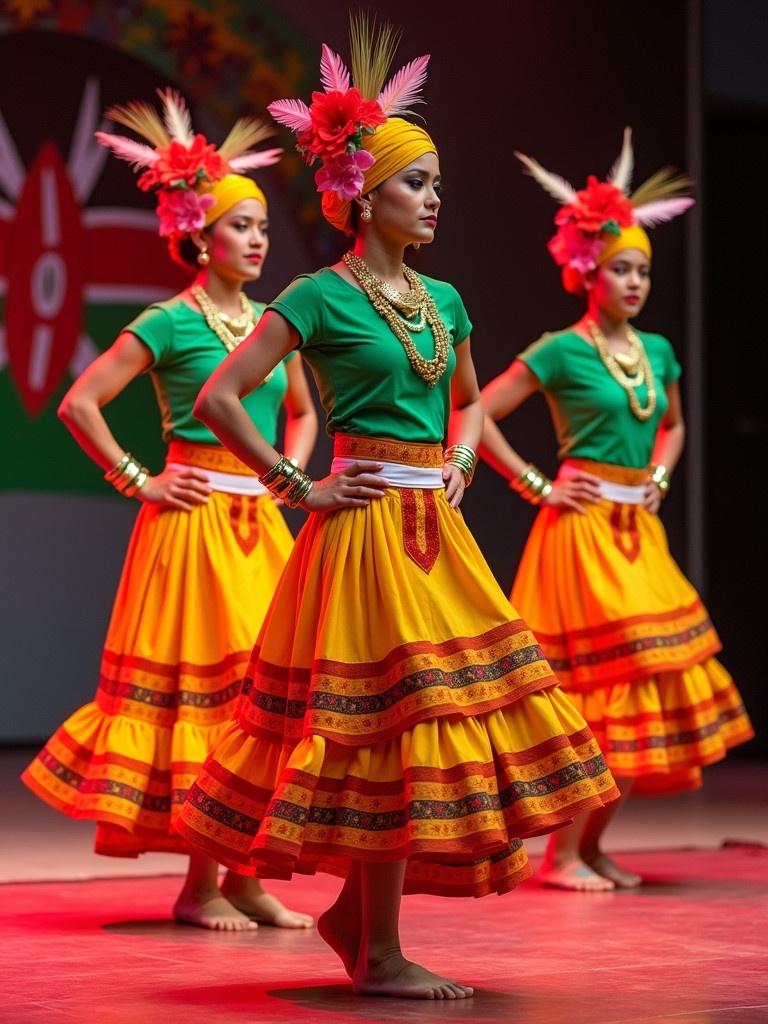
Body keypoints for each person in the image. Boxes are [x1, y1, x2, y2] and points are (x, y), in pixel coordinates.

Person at [176, 25, 619, 999]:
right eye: (418, 184)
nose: (434, 199)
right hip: (363, 529)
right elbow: (218, 398)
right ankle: (374, 944)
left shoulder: (447, 300)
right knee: (384, 726)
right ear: (363, 195)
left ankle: (366, 926)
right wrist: (302, 486)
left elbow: (466, 399)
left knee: (435, 722)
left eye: (437, 185)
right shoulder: (318, 298)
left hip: (436, 533)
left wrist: (465, 455)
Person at [22, 89, 318, 931]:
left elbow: (303, 410)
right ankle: (200, 886)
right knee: (214, 705)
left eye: (263, 226)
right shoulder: (169, 322)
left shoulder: (269, 322)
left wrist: (287, 474)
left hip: (258, 524)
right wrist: (137, 477)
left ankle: (249, 877)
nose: (257, 240)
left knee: (265, 705)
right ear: (199, 231)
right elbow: (82, 401)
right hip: (190, 528)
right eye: (240, 225)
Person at [480, 130, 753, 892]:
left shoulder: (658, 351)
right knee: (603, 689)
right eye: (620, 269)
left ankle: (591, 845)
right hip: (582, 533)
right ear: (586, 271)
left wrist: (662, 474)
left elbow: (672, 422)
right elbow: (474, 411)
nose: (634, 283)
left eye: (642, 271)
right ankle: (562, 852)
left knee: (647, 685)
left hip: (639, 530)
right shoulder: (560, 351)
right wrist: (537, 484)